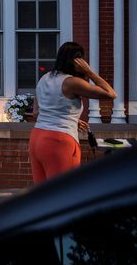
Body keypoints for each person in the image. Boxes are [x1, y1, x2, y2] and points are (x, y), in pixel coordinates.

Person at [30, 42, 117, 184]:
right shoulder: (72, 82)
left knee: (42, 195)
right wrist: (90, 72)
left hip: (37, 137)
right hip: (58, 141)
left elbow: (36, 112)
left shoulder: (45, 78)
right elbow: (111, 94)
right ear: (77, 61)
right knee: (64, 193)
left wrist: (71, 120)